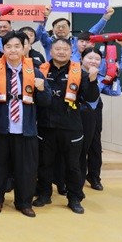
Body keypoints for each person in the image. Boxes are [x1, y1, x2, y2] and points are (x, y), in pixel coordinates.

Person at [0, 31, 51, 218]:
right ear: (3, 49)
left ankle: (24, 202)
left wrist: (42, 89)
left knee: (26, 169)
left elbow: (46, 102)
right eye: (8, 46)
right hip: (0, 128)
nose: (12, 50)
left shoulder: (35, 72)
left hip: (26, 130)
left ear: (24, 48)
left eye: (17, 46)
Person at [33, 39, 99, 214]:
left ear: (71, 52)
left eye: (65, 49)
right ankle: (44, 194)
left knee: (73, 165)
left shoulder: (80, 72)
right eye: (57, 49)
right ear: (51, 51)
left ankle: (74, 197)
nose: (61, 52)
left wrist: (93, 80)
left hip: (71, 126)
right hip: (45, 126)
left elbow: (91, 98)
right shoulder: (40, 71)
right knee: (45, 163)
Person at [79, 42, 122, 190]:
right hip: (77, 112)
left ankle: (94, 176)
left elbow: (114, 92)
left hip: (95, 112)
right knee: (79, 146)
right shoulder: (74, 74)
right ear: (82, 58)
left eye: (97, 59)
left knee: (95, 144)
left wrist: (115, 80)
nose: (93, 61)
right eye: (90, 58)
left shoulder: (101, 76)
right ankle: (77, 177)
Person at [38, 5, 113, 61]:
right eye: (58, 27)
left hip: (76, 74)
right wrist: (44, 18)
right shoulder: (48, 42)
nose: (60, 29)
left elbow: (91, 33)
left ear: (69, 29)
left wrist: (105, 17)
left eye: (63, 26)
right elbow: (40, 33)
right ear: (53, 29)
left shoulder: (77, 41)